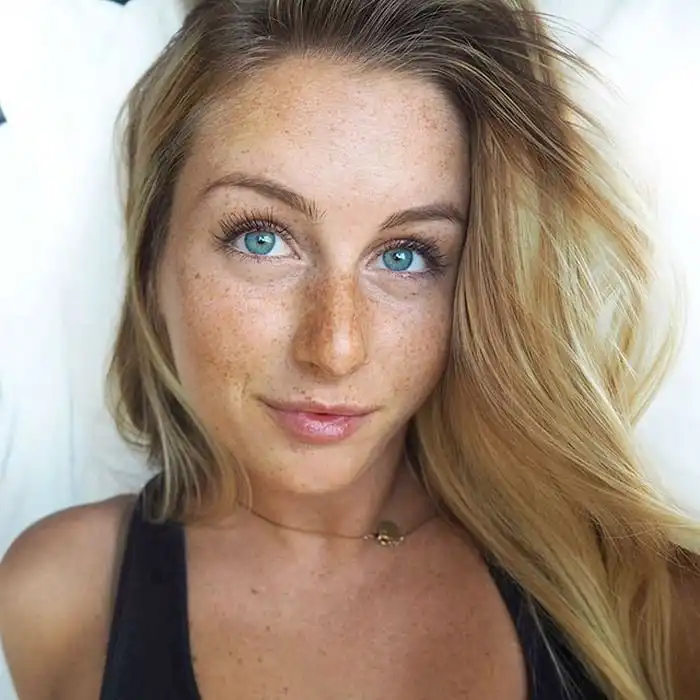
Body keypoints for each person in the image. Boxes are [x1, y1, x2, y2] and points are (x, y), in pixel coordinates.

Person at [1, 0, 699, 697]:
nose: (334, 349)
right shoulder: (57, 598)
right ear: (154, 256)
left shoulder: (653, 607)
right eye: (261, 239)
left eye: (405, 255)